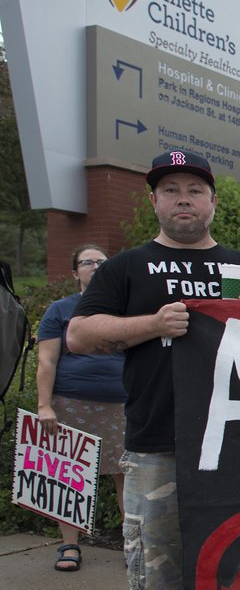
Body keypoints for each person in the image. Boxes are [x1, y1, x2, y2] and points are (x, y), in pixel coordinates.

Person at [66, 150, 240, 590]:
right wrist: (152, 324)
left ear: (213, 201)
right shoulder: (127, 268)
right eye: (171, 190)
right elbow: (79, 335)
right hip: (157, 442)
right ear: (154, 202)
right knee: (164, 568)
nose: (183, 198)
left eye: (194, 188)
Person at [36, 244, 127, 572]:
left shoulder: (125, 309)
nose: (95, 267)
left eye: (102, 262)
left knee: (125, 476)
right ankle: (69, 546)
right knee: (69, 476)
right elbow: (46, 360)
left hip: (121, 404)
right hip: (70, 403)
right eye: (87, 263)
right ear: (75, 272)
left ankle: (133, 545)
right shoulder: (60, 310)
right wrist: (44, 405)